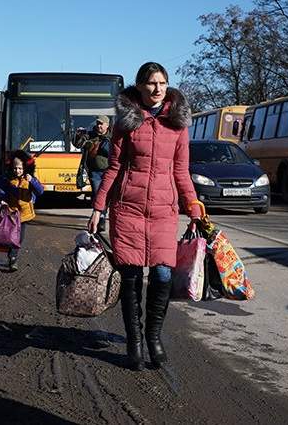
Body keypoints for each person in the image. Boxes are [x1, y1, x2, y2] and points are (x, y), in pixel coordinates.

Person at [88, 61, 202, 371]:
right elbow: (113, 167)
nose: (157, 89)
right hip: (128, 209)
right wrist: (98, 207)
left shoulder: (178, 124)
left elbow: (181, 171)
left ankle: (154, 337)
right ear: (139, 87)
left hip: (164, 211)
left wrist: (193, 205)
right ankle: (134, 341)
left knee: (163, 274)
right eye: (151, 83)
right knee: (131, 276)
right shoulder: (126, 122)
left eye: (162, 83)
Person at [0, 150, 44, 272]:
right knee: (11, 236)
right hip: (11, 213)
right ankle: (12, 258)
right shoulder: (8, 179)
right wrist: (3, 198)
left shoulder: (30, 179)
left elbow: (40, 191)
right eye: (15, 168)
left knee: (19, 238)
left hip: (24, 215)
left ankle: (13, 256)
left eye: (20, 168)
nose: (17, 171)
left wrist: (32, 181)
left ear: (25, 168)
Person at [73, 115, 112, 232]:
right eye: (98, 123)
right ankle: (100, 218)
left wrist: (106, 145)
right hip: (94, 171)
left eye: (101, 123)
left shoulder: (112, 137)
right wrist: (78, 135)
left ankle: (101, 217)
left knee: (105, 196)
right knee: (97, 194)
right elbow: (77, 144)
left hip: (108, 171)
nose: (99, 126)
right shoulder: (89, 135)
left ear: (107, 125)